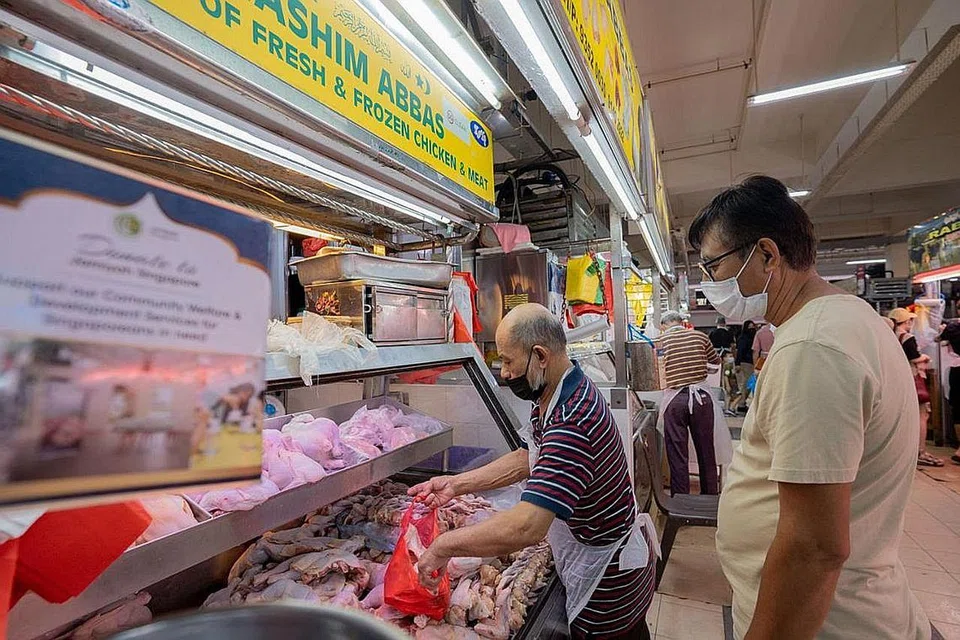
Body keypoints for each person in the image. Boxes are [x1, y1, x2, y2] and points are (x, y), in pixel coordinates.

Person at [690, 175, 928, 639]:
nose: (709, 283)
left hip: (824, 624)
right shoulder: (845, 319)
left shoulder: (813, 347)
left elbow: (814, 547)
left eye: (713, 266)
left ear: (766, 255)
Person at [412, 304, 655, 639]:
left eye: (508, 361)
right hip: (593, 562)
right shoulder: (555, 393)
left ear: (540, 355)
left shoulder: (572, 419)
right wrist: (456, 484)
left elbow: (528, 525)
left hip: (607, 588)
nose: (504, 373)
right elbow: (529, 457)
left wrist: (443, 547)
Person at [657, 311, 724, 495]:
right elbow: (716, 362)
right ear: (682, 322)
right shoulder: (700, 336)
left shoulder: (660, 342)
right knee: (706, 450)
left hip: (674, 400)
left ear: (664, 326)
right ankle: (710, 495)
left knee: (677, 453)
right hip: (701, 398)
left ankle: (680, 497)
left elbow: (658, 372)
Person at [890, 308, 944, 468]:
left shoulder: (890, 337)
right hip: (913, 379)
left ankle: (903, 451)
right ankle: (920, 451)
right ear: (906, 321)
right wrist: (924, 357)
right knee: (922, 415)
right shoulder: (907, 338)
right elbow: (914, 357)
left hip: (897, 381)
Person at [735, 320, 757, 410]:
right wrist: (737, 363)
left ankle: (743, 402)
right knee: (746, 383)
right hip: (745, 362)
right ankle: (741, 403)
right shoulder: (743, 338)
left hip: (750, 362)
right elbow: (740, 351)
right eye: (750, 327)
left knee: (748, 383)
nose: (752, 329)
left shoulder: (751, 338)